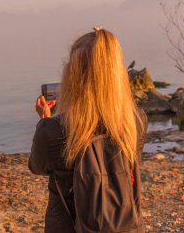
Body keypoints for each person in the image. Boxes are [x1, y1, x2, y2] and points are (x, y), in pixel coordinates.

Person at [28, 28, 148, 232]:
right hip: (126, 226)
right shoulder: (135, 121)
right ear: (117, 75)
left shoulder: (52, 130)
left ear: (72, 76)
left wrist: (45, 120)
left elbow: (37, 167)